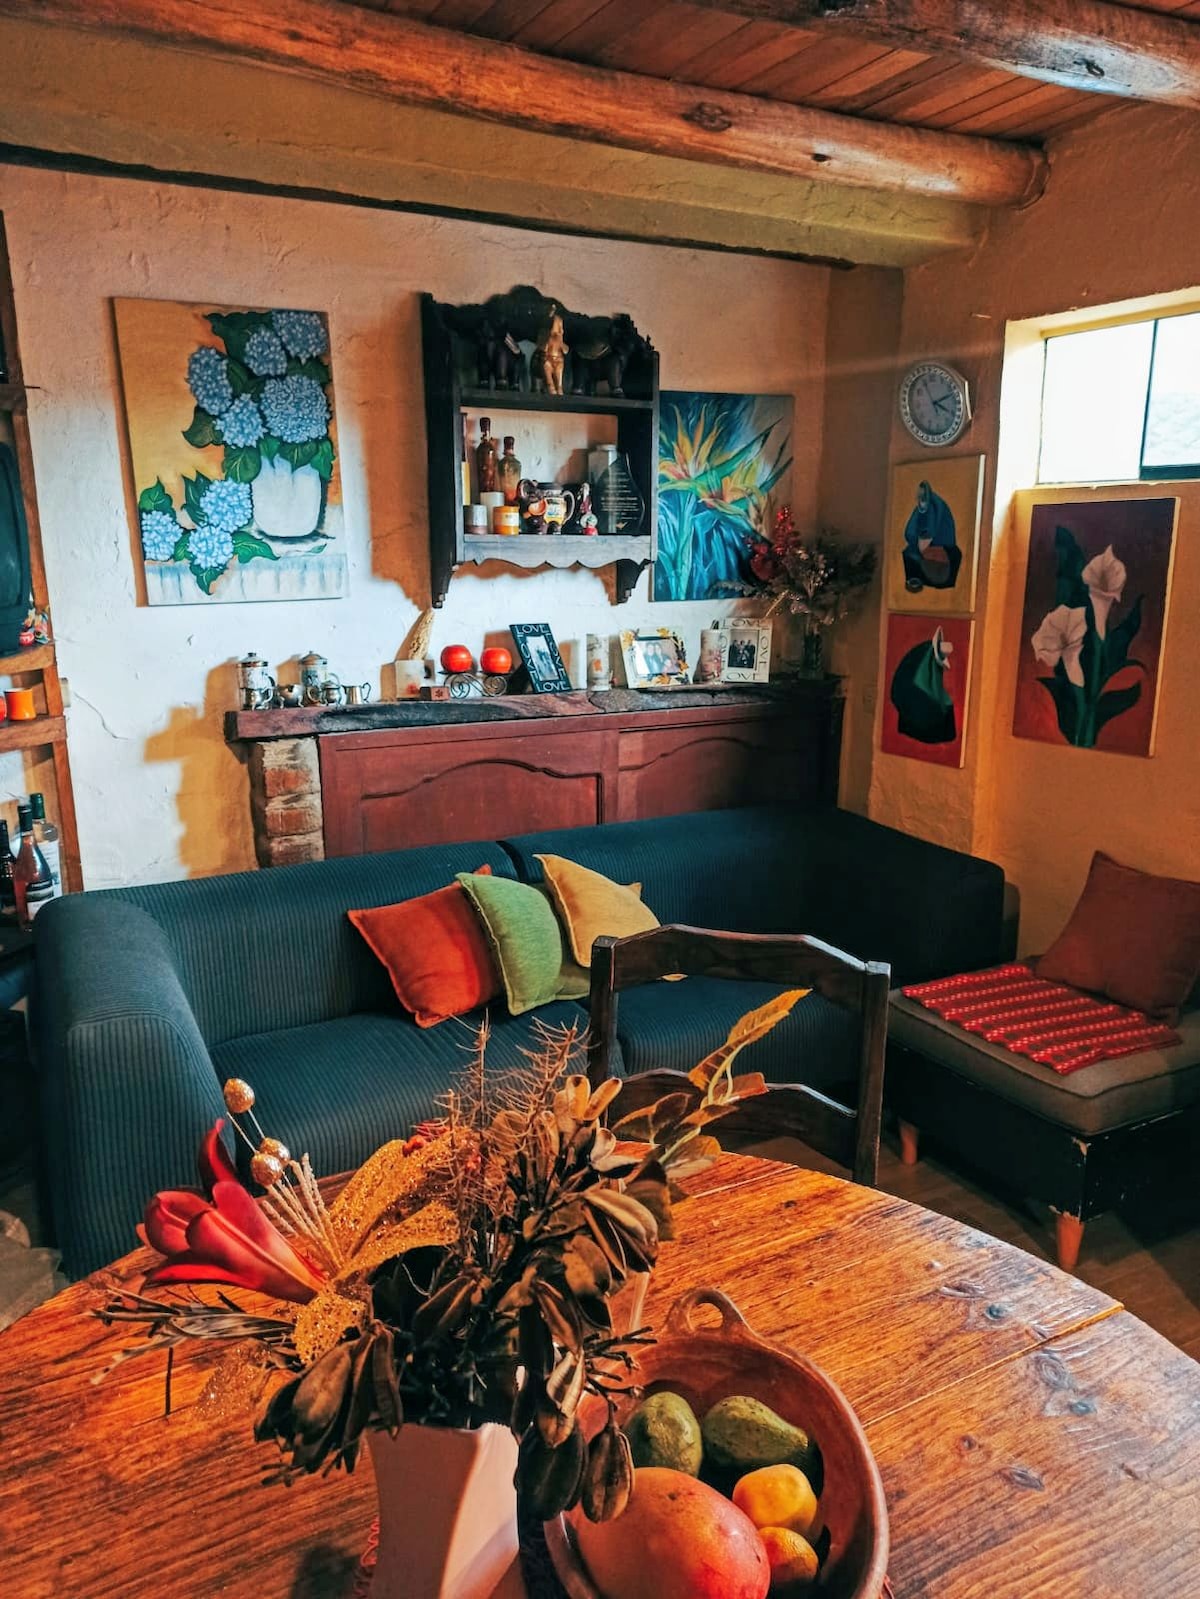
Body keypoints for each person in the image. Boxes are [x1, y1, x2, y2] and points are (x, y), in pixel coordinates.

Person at [902, 480, 962, 593]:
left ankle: (925, 507)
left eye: (932, 556)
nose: (936, 555)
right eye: (939, 557)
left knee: (913, 537)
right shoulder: (947, 539)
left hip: (925, 532)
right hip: (933, 527)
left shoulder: (913, 543)